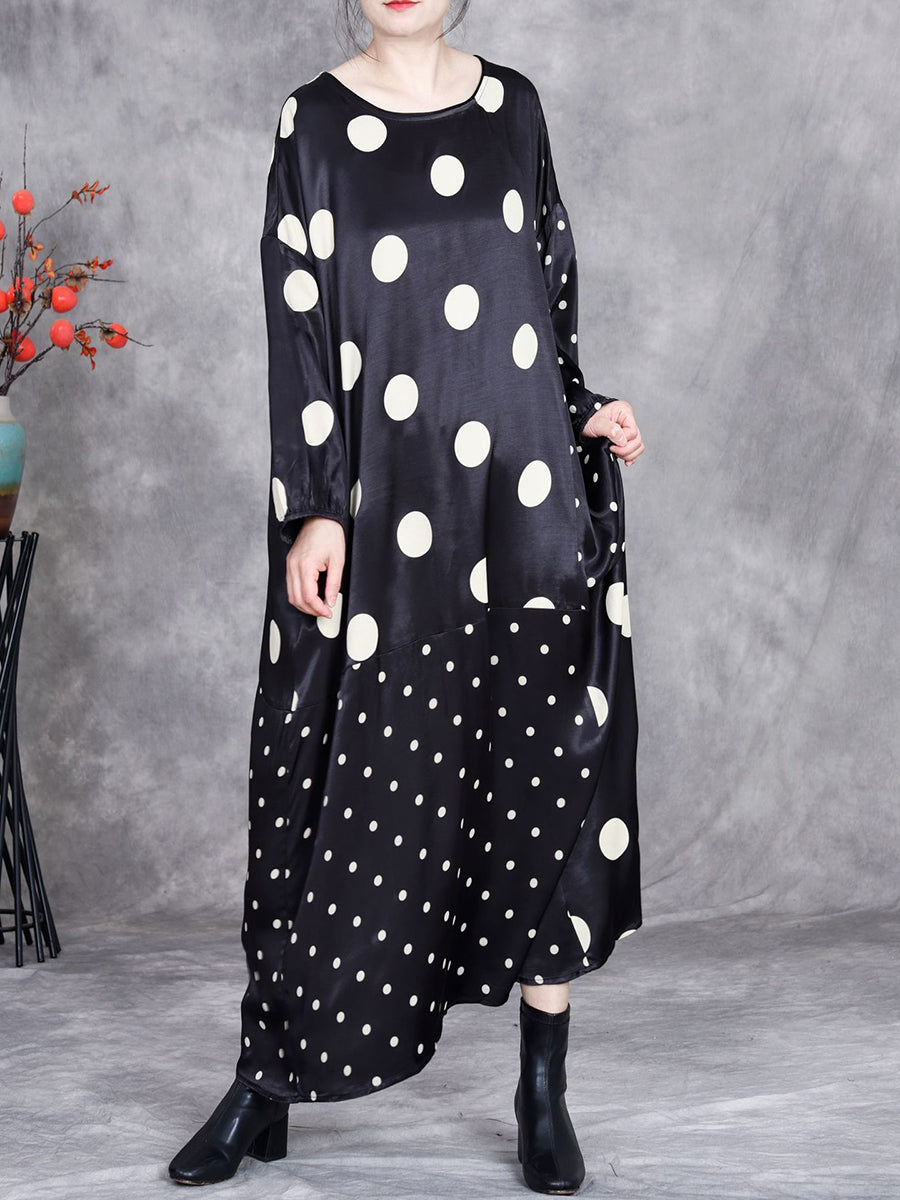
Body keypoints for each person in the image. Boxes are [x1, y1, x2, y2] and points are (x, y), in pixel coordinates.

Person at [168, 0, 645, 1192]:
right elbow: (298, 325)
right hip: (382, 509)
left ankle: (543, 1084)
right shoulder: (313, 126)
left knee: (542, 766)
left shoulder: (513, 108)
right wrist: (315, 505)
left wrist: (586, 405)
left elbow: (545, 292)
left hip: (520, 496)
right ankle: (268, 1077)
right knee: (328, 779)